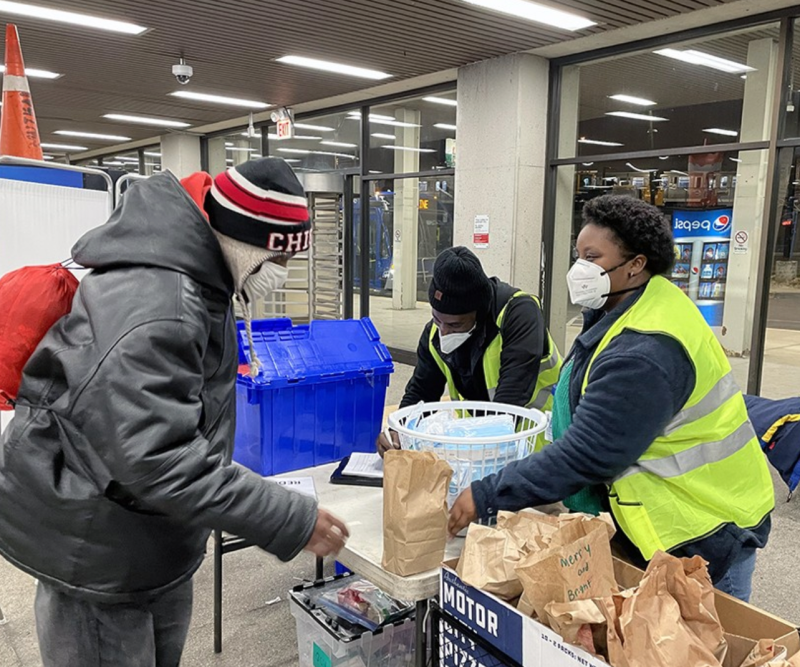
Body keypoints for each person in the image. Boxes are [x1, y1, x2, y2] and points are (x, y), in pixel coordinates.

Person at [0, 158, 349, 667]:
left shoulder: (203, 281)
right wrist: (286, 518)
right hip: (99, 552)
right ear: (248, 246)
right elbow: (156, 457)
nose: (282, 276)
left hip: (147, 538)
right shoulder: (161, 303)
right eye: (280, 261)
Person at [448, 194, 774, 602]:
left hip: (703, 531)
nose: (579, 268)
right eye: (578, 254)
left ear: (636, 264)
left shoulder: (646, 348)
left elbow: (589, 453)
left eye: (592, 256)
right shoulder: (627, 306)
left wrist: (488, 493)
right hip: (678, 518)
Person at [378, 246, 562, 456]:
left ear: (479, 311)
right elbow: (421, 392)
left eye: (455, 325)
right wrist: (397, 431)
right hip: (484, 451)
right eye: (437, 319)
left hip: (542, 445)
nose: (444, 332)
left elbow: (512, 396)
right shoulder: (433, 336)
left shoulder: (519, 315)